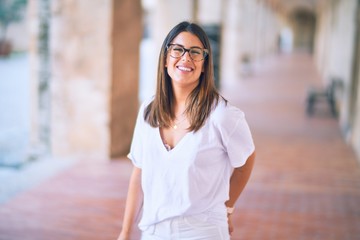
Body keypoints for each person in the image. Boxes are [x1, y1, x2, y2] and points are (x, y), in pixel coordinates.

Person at [118, 21, 255, 240]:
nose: (186, 58)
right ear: (165, 58)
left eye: (195, 52)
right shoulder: (148, 110)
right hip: (153, 231)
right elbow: (138, 173)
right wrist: (125, 232)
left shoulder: (223, 115)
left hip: (203, 231)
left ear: (204, 64)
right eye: (177, 50)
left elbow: (246, 161)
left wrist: (227, 207)